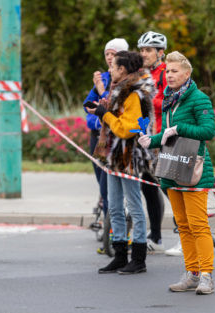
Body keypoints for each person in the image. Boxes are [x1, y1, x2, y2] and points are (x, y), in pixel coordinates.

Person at [138, 51, 215, 295]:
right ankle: (191, 273)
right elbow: (167, 133)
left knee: (198, 225)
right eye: (167, 71)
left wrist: (179, 128)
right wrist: (150, 141)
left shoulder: (199, 99)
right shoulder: (171, 99)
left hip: (194, 168)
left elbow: (207, 131)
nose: (169, 75)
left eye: (174, 71)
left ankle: (206, 276)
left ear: (187, 73)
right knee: (182, 224)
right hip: (173, 167)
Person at [88, 51, 155, 275]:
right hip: (114, 155)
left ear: (123, 70)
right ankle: (119, 255)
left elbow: (127, 129)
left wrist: (104, 114)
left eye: (114, 67)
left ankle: (138, 259)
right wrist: (104, 107)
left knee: (134, 206)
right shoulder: (120, 89)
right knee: (114, 206)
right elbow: (118, 117)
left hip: (129, 155)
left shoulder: (134, 93)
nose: (110, 70)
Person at [83, 38, 128, 254]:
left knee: (114, 190)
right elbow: (87, 105)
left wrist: (102, 93)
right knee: (103, 187)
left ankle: (117, 237)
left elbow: (116, 106)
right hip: (99, 139)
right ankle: (112, 235)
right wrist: (96, 119)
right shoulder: (103, 78)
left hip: (118, 139)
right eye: (106, 54)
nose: (109, 57)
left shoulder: (125, 79)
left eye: (113, 53)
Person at [137, 31, 169, 254]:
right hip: (149, 140)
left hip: (165, 138)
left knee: (170, 188)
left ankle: (186, 234)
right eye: (142, 50)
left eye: (148, 50)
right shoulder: (143, 74)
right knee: (148, 187)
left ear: (160, 53)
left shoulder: (167, 72)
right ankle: (156, 237)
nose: (144, 54)